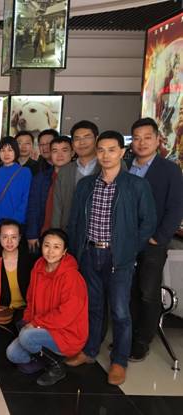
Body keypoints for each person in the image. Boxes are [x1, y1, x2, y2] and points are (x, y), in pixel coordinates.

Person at [66, 131, 156, 385]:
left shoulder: (136, 185)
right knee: (93, 307)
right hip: (89, 254)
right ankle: (90, 351)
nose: (106, 155)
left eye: (112, 149)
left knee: (119, 311)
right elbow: (75, 221)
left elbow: (148, 222)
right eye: (101, 150)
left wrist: (129, 249)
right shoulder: (86, 185)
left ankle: (119, 361)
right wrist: (77, 250)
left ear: (122, 152)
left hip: (119, 257)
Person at [128, 118, 183, 361]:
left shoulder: (170, 170)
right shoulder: (125, 166)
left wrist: (159, 238)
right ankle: (128, 335)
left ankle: (142, 340)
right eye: (137, 138)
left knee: (148, 292)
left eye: (147, 137)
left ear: (158, 139)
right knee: (127, 290)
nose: (142, 143)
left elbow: (176, 207)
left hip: (152, 243)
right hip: (126, 241)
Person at [6, 229, 88, 387]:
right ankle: (47, 356)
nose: (50, 251)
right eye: (47, 245)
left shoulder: (72, 277)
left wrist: (35, 324)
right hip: (43, 327)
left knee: (26, 337)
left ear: (64, 251)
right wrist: (28, 321)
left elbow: (65, 315)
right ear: (41, 246)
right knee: (13, 355)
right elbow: (30, 299)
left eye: (56, 247)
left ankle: (56, 367)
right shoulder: (38, 267)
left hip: (66, 333)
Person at [0, 220, 34, 367]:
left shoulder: (30, 260)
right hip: (3, 312)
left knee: (21, 350)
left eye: (13, 237)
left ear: (20, 238)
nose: (9, 241)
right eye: (5, 237)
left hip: (25, 311)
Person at [0, 137, 32, 252]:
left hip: (18, 224)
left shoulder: (25, 172)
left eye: (10, 150)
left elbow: (26, 200)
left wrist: (14, 225)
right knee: (1, 255)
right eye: (2, 150)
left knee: (19, 256)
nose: (6, 154)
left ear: (16, 151)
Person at [26, 136, 74, 252]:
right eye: (55, 151)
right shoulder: (41, 178)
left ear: (72, 153)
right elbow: (33, 207)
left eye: (64, 150)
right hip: (45, 233)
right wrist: (32, 234)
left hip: (71, 236)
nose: (59, 155)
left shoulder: (79, 177)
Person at [52, 121, 100, 230]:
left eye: (87, 137)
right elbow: (58, 207)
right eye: (77, 138)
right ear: (73, 143)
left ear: (97, 139)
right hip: (69, 230)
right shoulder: (64, 171)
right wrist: (56, 233)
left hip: (98, 232)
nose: (82, 142)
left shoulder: (107, 167)